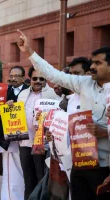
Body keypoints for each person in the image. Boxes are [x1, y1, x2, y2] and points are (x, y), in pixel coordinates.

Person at [17, 30, 110, 200]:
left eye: (98, 63)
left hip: (105, 167)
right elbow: (54, 75)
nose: (92, 67)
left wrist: (105, 132)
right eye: (92, 62)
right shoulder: (84, 83)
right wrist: (29, 52)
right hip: (80, 162)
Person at [17, 66, 59, 199]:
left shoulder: (53, 94)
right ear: (30, 79)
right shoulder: (22, 94)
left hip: (43, 144)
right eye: (35, 78)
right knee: (28, 179)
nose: (38, 81)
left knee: (42, 179)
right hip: (24, 142)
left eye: (42, 79)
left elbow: (59, 116)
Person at [0, 66, 29, 200]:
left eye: (17, 76)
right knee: (9, 171)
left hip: (24, 137)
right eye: (11, 76)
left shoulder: (28, 91)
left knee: (24, 169)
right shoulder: (4, 91)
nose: (13, 79)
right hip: (6, 137)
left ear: (24, 78)